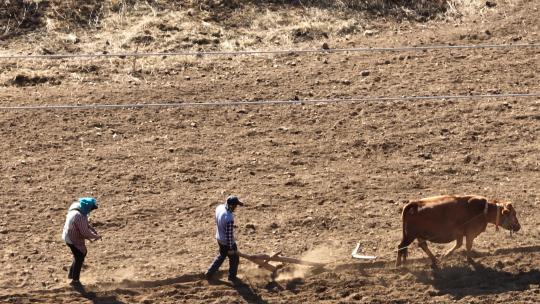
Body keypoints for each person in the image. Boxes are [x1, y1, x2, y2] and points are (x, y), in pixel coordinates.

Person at [62, 197, 101, 286]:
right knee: (79, 256)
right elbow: (84, 232)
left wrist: (91, 228)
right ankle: (75, 280)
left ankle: (71, 275)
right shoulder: (79, 217)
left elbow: (84, 224)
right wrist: (96, 236)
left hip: (67, 235)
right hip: (72, 239)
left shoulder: (75, 207)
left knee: (78, 255)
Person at [205, 195, 244, 283]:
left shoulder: (219, 208)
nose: (236, 207)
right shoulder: (229, 218)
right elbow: (229, 235)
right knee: (234, 259)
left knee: (222, 255)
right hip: (227, 242)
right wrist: (230, 248)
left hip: (219, 237)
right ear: (231, 206)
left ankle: (209, 273)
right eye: (235, 206)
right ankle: (232, 278)